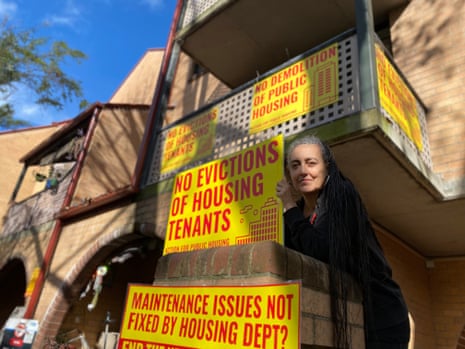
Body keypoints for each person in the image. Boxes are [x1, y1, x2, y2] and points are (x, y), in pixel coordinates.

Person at [276, 135, 410, 349]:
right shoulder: (296, 212)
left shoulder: (342, 195)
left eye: (311, 163)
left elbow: (320, 250)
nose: (303, 171)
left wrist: (289, 206)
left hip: (381, 318)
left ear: (327, 167)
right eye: (295, 165)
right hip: (336, 319)